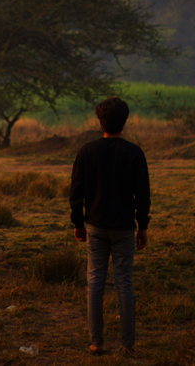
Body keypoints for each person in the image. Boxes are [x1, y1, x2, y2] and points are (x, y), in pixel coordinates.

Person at [69, 97, 150, 356]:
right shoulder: (134, 153)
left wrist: (77, 223)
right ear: (125, 122)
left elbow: (76, 193)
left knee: (95, 282)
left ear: (99, 121)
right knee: (124, 282)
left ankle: (96, 342)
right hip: (125, 227)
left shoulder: (87, 151)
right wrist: (142, 226)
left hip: (94, 226)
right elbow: (143, 195)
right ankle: (127, 345)